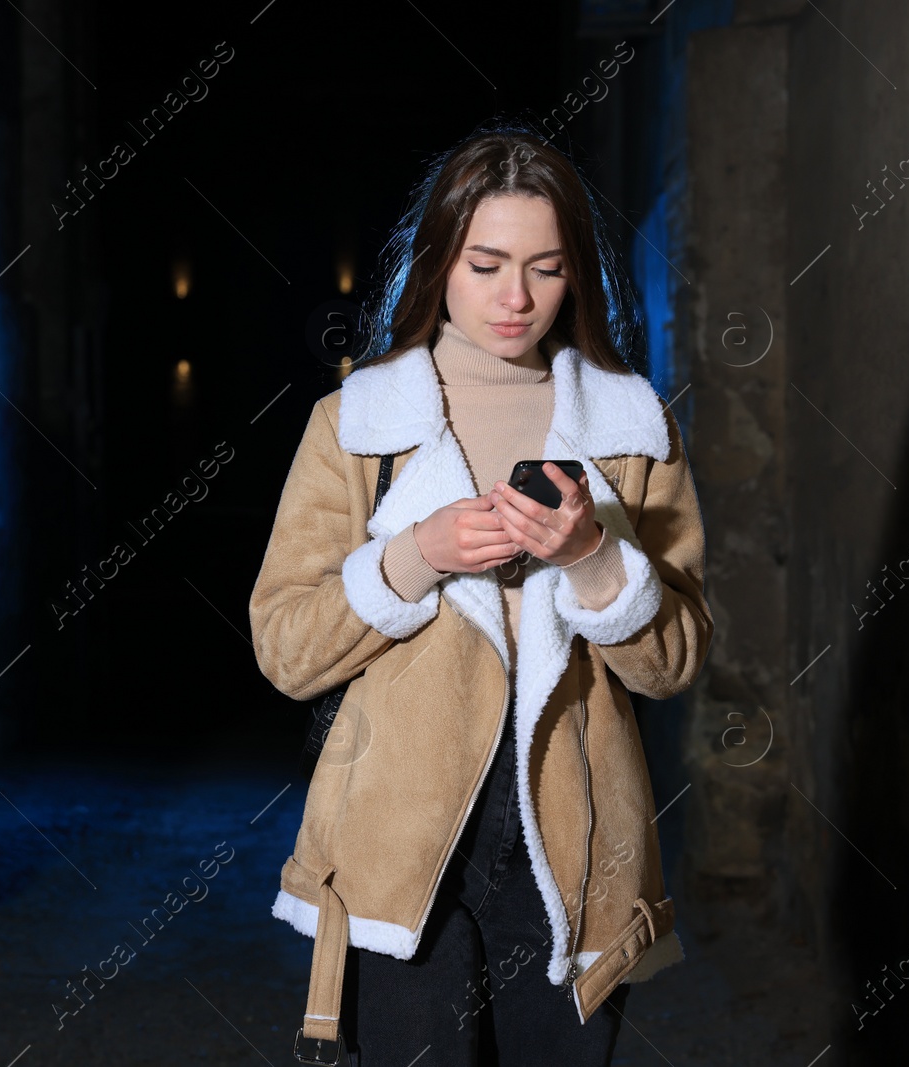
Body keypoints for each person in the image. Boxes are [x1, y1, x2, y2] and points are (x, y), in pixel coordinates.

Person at [248, 126, 713, 1066]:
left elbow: (675, 662)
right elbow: (287, 650)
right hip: (399, 842)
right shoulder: (356, 426)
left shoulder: (630, 426)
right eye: (487, 262)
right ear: (439, 262)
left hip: (578, 845)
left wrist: (591, 556)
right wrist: (414, 553)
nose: (515, 297)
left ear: (576, 273)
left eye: (546, 267)